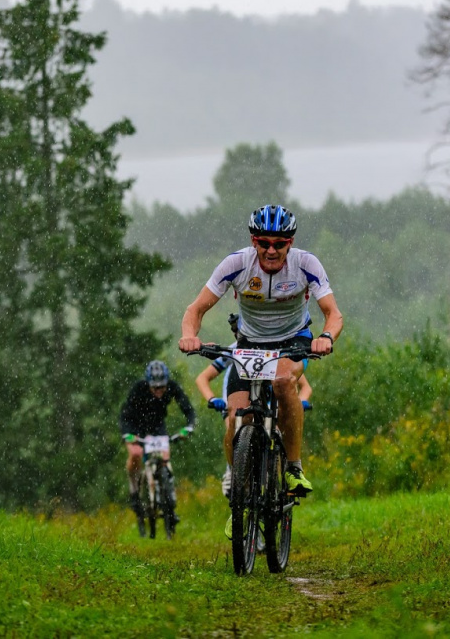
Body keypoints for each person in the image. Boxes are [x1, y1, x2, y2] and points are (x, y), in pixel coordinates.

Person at [178, 204, 343, 537]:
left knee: (283, 382)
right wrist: (189, 336)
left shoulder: (306, 264)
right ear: (254, 241)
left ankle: (294, 468)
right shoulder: (236, 264)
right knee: (236, 418)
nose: (271, 250)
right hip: (249, 344)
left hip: (293, 342)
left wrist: (325, 337)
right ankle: (239, 495)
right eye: (264, 242)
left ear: (290, 242)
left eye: (279, 244)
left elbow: (333, 313)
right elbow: (195, 309)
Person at [195, 314, 317, 499]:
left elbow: (301, 385)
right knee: (232, 422)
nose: (238, 335)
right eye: (236, 332)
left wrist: (301, 400)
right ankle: (234, 474)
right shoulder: (233, 350)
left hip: (270, 399)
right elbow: (203, 377)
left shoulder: (278, 348)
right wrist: (212, 399)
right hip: (243, 398)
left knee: (277, 430)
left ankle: (278, 479)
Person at [119, 360, 196, 536]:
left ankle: (170, 499)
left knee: (165, 457)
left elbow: (187, 408)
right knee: (136, 454)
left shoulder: (171, 387)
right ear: (148, 384)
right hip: (136, 427)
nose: (159, 391)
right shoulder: (139, 389)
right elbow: (124, 415)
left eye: (162, 387)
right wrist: (127, 435)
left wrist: (189, 426)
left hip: (157, 426)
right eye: (155, 388)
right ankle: (134, 489)